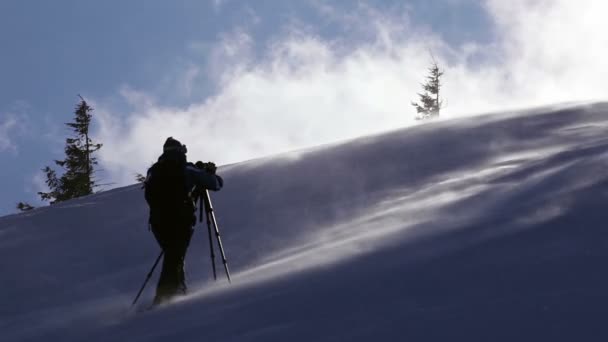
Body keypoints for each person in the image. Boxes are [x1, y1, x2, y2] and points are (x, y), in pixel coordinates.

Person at [144, 137, 223, 305]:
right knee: (175, 256)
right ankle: (163, 299)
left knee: (174, 255)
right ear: (181, 151)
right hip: (181, 221)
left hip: (158, 223)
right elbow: (215, 184)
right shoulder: (186, 169)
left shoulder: (154, 170)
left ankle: (178, 291)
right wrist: (210, 173)